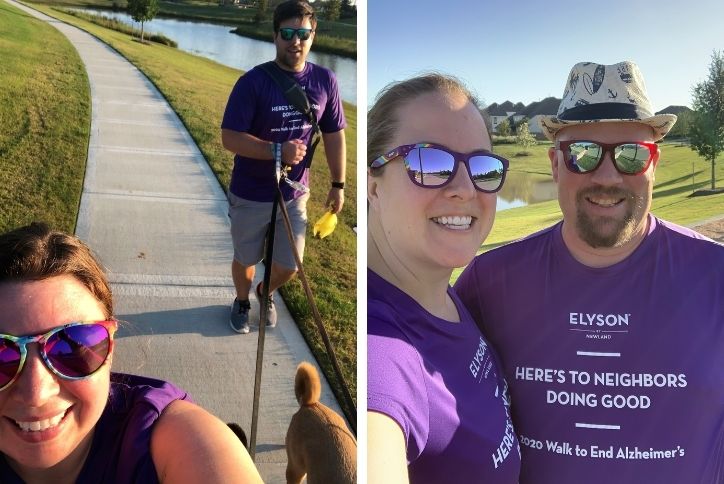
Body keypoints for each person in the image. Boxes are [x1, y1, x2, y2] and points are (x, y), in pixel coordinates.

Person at [455, 61, 724, 483]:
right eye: (583, 153)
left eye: (633, 155)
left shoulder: (716, 278)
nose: (608, 175)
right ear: (556, 165)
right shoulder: (489, 282)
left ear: (654, 164)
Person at [0, 223, 263, 483]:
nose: (36, 393)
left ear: (111, 347)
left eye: (72, 345)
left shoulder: (167, 437)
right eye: (3, 355)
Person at [367, 73, 521, 483]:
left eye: (482, 168)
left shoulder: (445, 295)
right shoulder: (381, 350)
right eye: (429, 162)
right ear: (373, 185)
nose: (465, 188)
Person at [221, 0, 346, 334]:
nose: (296, 41)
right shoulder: (253, 82)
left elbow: (334, 135)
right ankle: (243, 300)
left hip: (294, 195)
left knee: (291, 265)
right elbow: (230, 137)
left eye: (303, 33)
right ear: (275, 36)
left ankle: (267, 292)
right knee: (246, 258)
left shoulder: (325, 81)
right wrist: (277, 150)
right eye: (288, 33)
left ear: (313, 34)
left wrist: (338, 184)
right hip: (250, 191)